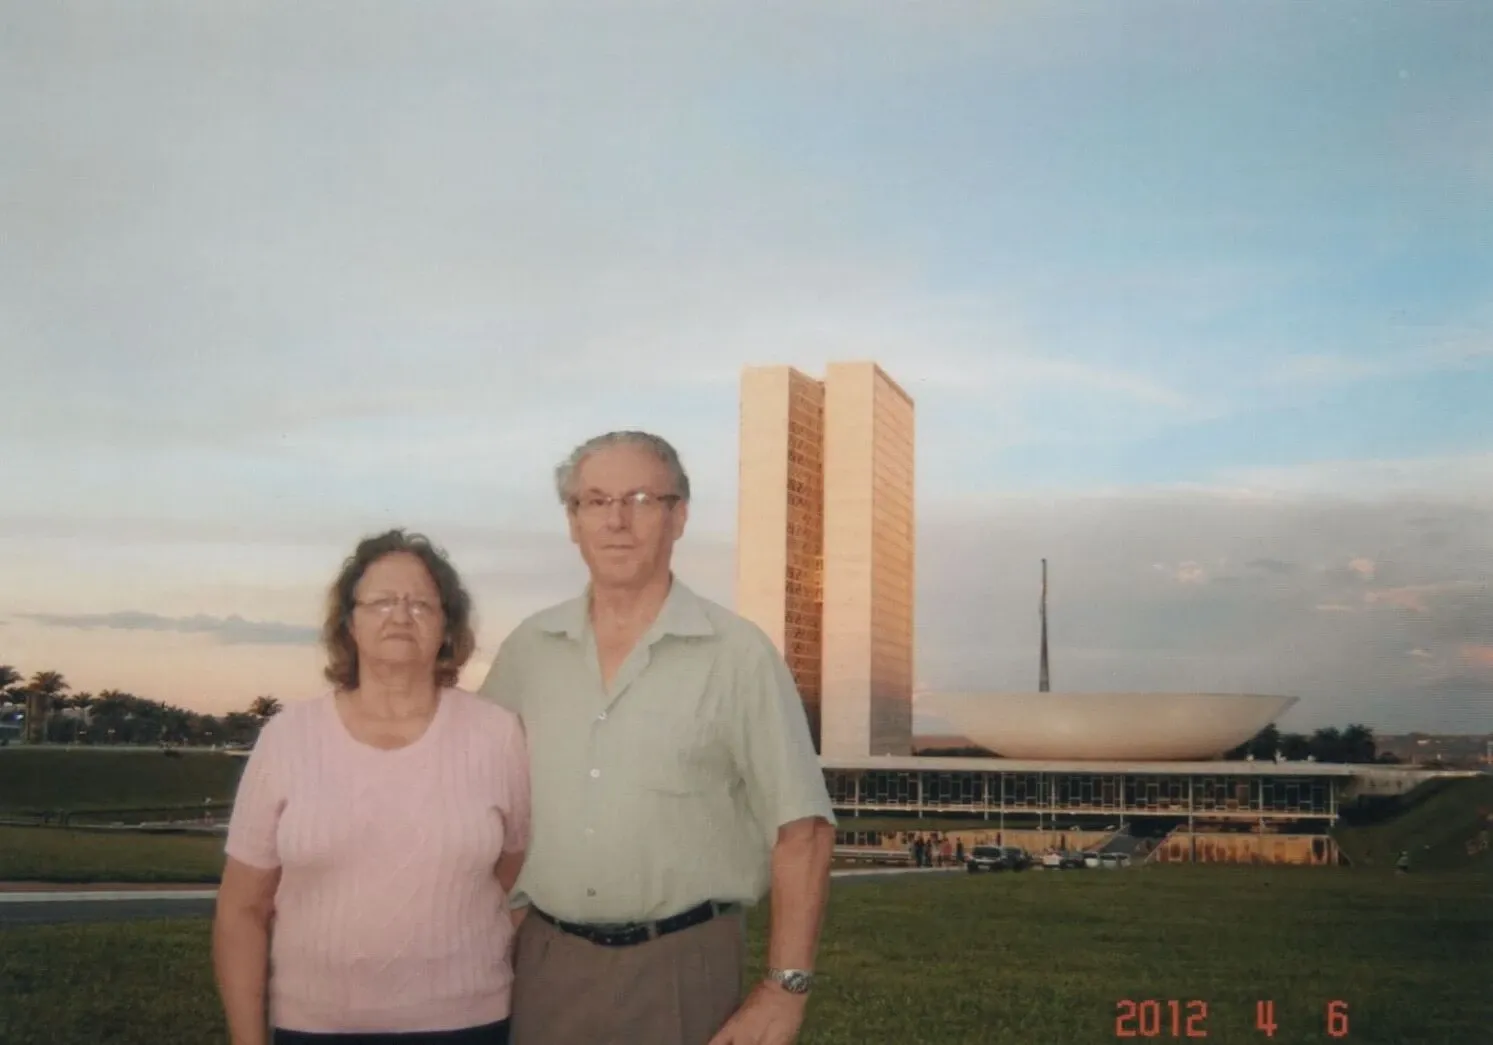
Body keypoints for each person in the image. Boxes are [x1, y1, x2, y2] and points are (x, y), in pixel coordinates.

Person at [480, 430, 835, 1045]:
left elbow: (802, 830)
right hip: (540, 965)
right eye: (595, 501)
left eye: (642, 499)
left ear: (679, 516)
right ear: (573, 521)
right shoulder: (528, 651)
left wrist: (786, 987)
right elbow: (478, 796)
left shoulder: (738, 655)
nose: (616, 520)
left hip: (683, 969)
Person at [214, 530, 531, 1045]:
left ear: (447, 627)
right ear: (349, 623)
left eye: (421, 604)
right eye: (381, 601)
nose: (401, 616)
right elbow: (241, 909)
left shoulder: (498, 735)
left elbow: (510, 867)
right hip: (314, 1027)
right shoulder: (288, 737)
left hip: (467, 1025)